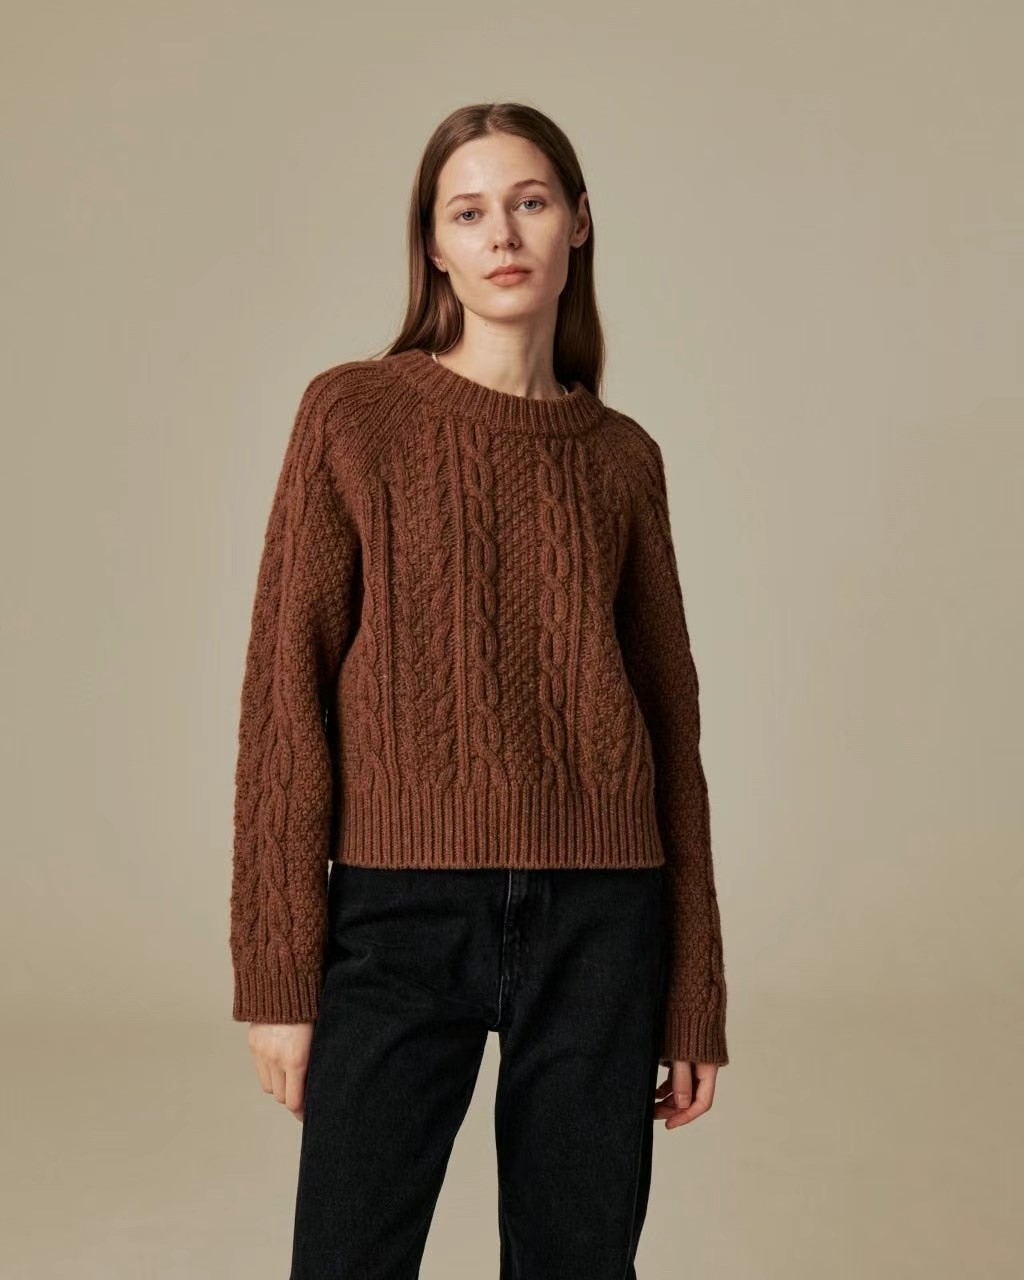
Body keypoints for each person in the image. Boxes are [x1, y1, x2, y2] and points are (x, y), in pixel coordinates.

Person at [229, 100, 729, 1280]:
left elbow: (671, 728)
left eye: (529, 201)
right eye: (468, 211)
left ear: (578, 223)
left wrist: (692, 990)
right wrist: (277, 972)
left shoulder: (622, 458)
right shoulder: (352, 415)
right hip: (397, 910)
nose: (501, 232)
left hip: (602, 916)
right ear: (434, 245)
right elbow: (284, 694)